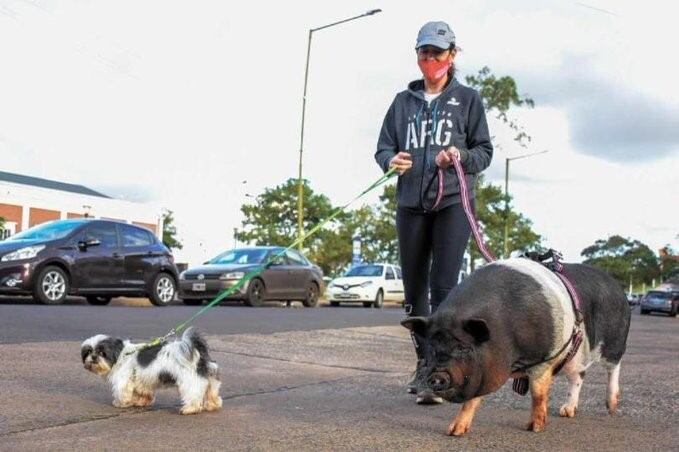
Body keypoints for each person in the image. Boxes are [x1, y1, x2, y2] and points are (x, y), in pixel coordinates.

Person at [374, 21, 493, 404]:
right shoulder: (401, 103)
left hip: (453, 203)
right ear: (418, 55)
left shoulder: (469, 100)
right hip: (410, 203)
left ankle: (444, 371)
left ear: (452, 55)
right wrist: (391, 160)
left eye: (438, 53)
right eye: (424, 52)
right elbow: (382, 149)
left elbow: (484, 152)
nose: (431, 60)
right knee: (414, 291)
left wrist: (460, 155)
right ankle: (424, 364)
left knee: (444, 288)